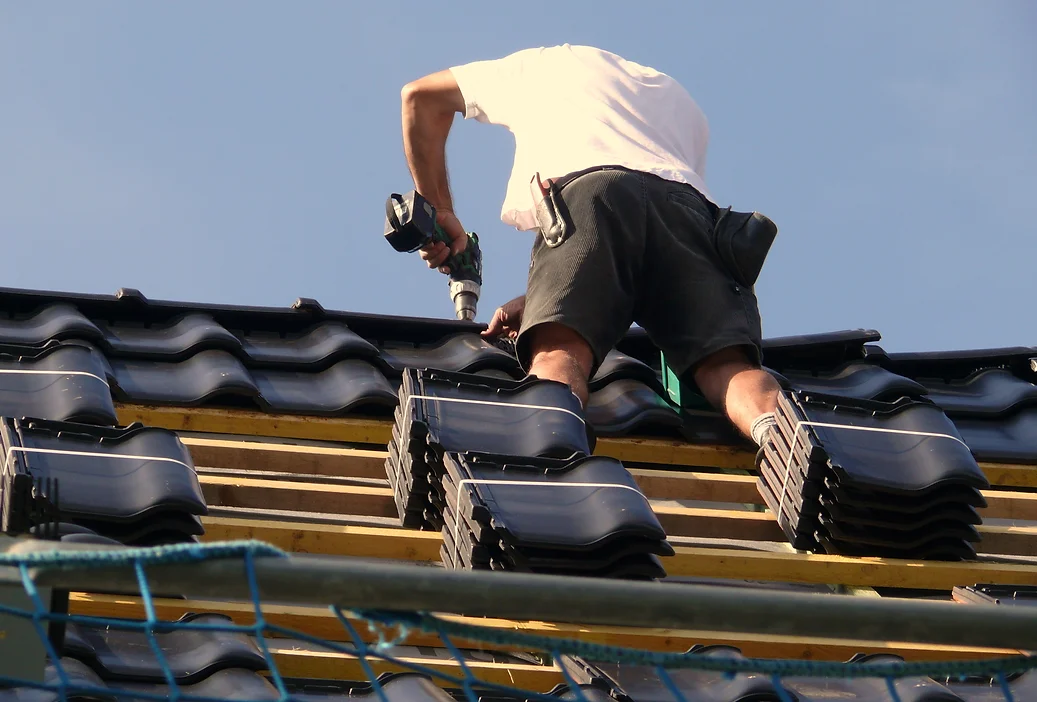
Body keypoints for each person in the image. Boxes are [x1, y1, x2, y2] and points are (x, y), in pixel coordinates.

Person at [399, 44, 780, 446]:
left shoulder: (541, 65)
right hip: (691, 212)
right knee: (728, 367)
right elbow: (644, 244)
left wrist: (440, 210)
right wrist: (541, 298)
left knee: (559, 351)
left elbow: (419, 97)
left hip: (590, 193)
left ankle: (549, 450)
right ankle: (785, 442)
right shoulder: (677, 100)